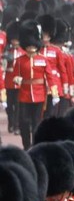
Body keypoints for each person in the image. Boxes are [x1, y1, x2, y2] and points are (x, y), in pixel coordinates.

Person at [11, 20, 59, 149]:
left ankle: (36, 145)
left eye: (33, 44)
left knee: (36, 122)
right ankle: (27, 145)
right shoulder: (20, 61)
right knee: (24, 123)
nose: (31, 47)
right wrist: (17, 80)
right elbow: (15, 76)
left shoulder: (43, 60)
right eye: (28, 44)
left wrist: (54, 94)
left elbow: (50, 77)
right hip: (24, 95)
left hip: (39, 94)